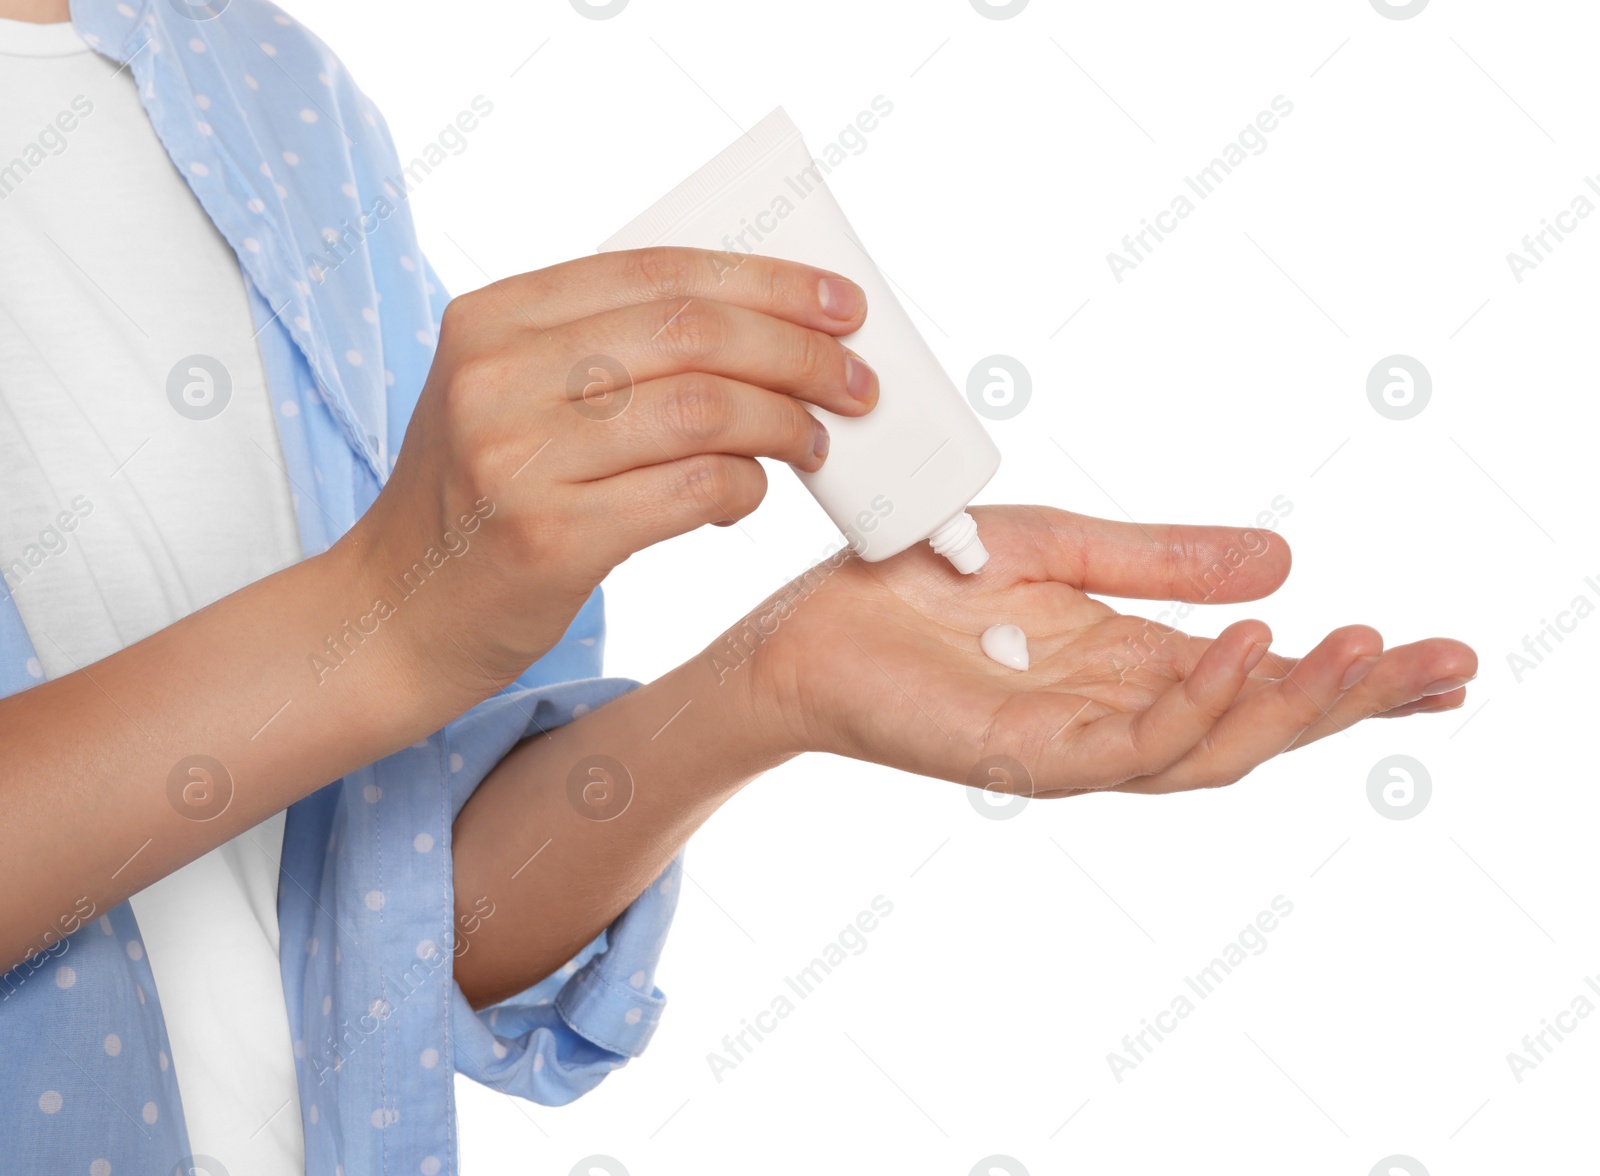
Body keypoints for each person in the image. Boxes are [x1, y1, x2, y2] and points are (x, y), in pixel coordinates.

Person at [0, 1, 1477, 1173]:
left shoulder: (262, 90)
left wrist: (772, 681)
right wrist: (390, 615)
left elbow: (382, 913)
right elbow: (382, 641)